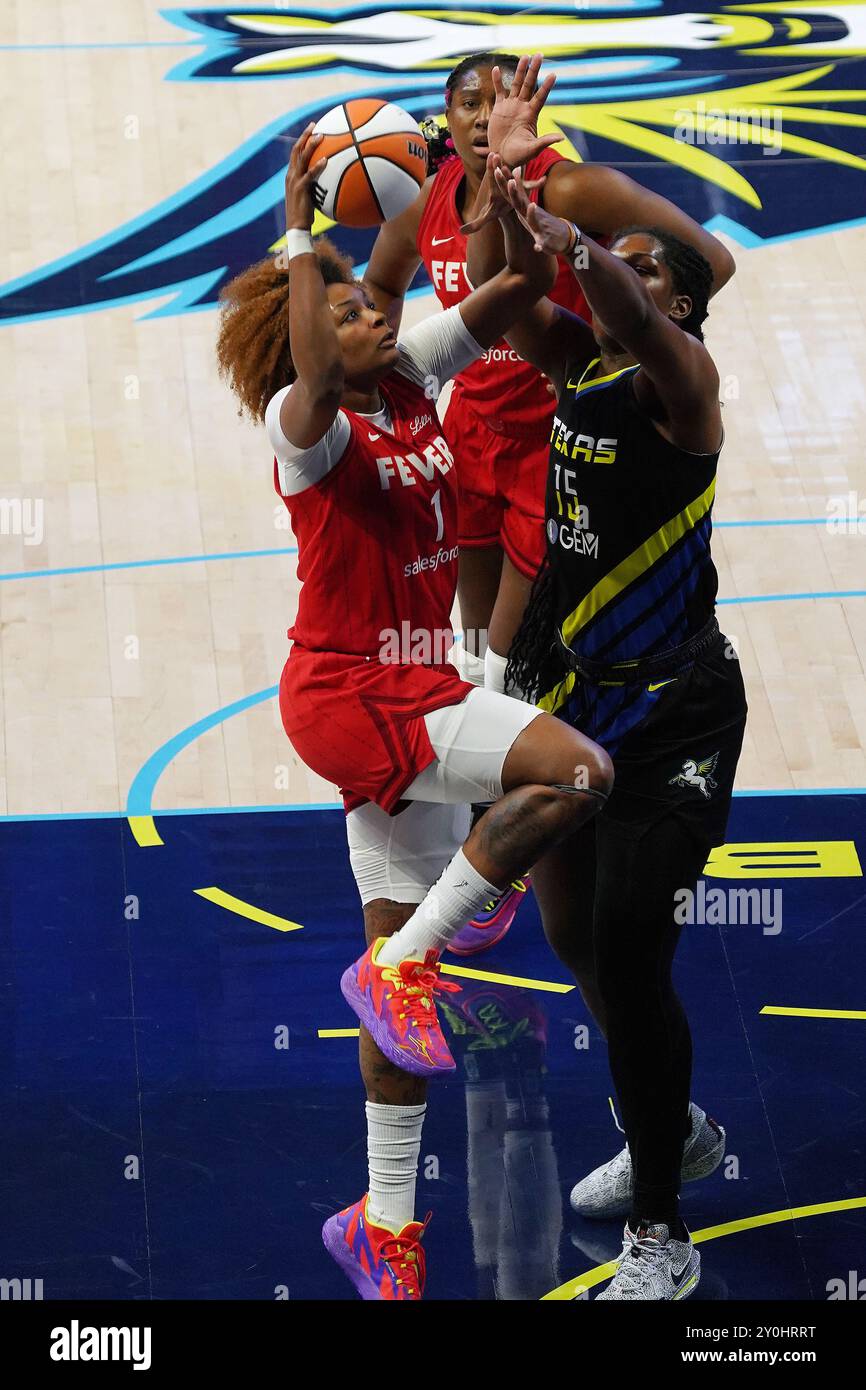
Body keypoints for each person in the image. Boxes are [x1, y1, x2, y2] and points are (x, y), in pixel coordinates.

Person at [216, 79, 613, 1302]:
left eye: (369, 298)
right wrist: (300, 244)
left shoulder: (406, 375)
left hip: (405, 692)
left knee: (401, 989)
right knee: (579, 771)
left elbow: (497, 296)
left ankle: (384, 1225)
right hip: (356, 694)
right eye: (344, 309)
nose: (371, 311)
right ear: (307, 343)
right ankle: (412, 954)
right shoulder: (312, 428)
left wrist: (498, 193)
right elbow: (316, 368)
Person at [462, 69, 747, 1298]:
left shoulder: (683, 393)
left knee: (627, 950)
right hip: (579, 696)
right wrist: (497, 173)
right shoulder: (575, 363)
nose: (616, 274)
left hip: (676, 709)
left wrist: (578, 234)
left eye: (645, 266)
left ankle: (662, 1230)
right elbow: (496, 293)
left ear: (675, 302)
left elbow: (624, 305)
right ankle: (667, 1120)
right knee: (572, 931)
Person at [364, 48, 735, 954]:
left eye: (500, 100)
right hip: (473, 437)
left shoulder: (573, 188)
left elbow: (712, 263)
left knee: (513, 654)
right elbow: (400, 283)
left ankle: (500, 852)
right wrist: (387, 365)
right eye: (468, 103)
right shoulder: (435, 198)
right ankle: (488, 826)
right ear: (443, 122)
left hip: (553, 442)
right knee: (470, 639)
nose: (484, 114)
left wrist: (626, 336)